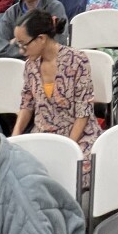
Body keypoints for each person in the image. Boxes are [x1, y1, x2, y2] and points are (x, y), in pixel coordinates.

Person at [11, 9, 101, 163]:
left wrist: (68, 147)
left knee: (79, 170)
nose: (21, 51)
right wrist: (15, 137)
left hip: (78, 134)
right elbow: (27, 104)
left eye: (24, 44)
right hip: (43, 135)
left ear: (41, 39)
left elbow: (83, 111)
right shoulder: (30, 66)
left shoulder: (77, 61)